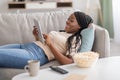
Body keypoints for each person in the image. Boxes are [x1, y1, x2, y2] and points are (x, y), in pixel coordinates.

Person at [0, 11, 93, 69]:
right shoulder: (63, 33)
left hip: (34, 55)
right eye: (68, 19)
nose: (67, 21)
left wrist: (50, 44)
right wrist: (37, 37)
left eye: (71, 20)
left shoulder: (75, 39)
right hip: (26, 46)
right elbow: (43, 44)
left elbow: (68, 62)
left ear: (79, 26)